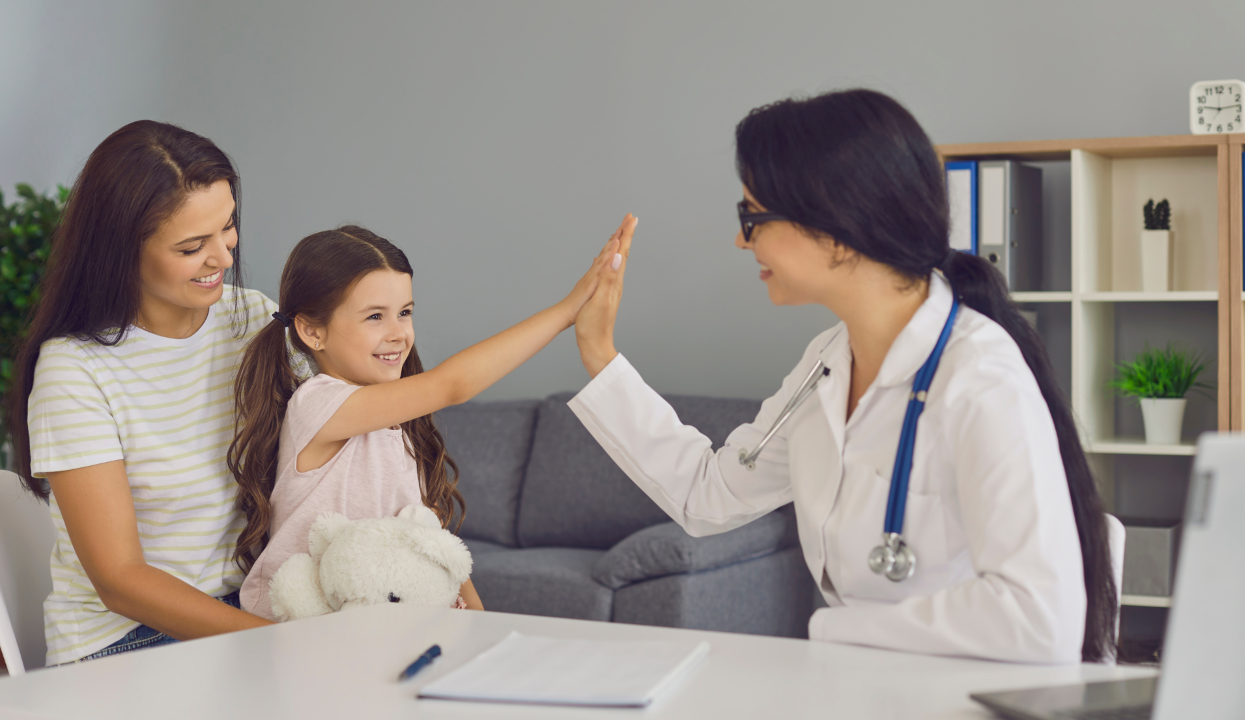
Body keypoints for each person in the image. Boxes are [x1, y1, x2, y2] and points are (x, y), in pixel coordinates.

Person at [569, 89, 1117, 664]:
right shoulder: (828, 362)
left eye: (752, 217)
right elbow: (710, 494)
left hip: (959, 690)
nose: (740, 239)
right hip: (863, 681)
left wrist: (836, 631)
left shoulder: (979, 377)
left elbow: (1039, 619)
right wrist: (599, 351)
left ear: (834, 229)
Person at [232, 222, 633, 619]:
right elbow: (452, 385)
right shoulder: (317, 405)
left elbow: (429, 534)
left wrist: (479, 621)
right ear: (312, 331)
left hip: (385, 626)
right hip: (306, 633)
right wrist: (566, 311)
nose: (398, 333)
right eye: (375, 317)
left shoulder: (396, 427)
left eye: (404, 312)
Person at [7, 121, 280, 664]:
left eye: (228, 227)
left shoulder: (253, 319)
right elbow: (122, 581)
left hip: (249, 606)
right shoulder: (74, 370)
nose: (224, 258)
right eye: (192, 246)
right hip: (128, 640)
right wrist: (279, 642)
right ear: (120, 250)